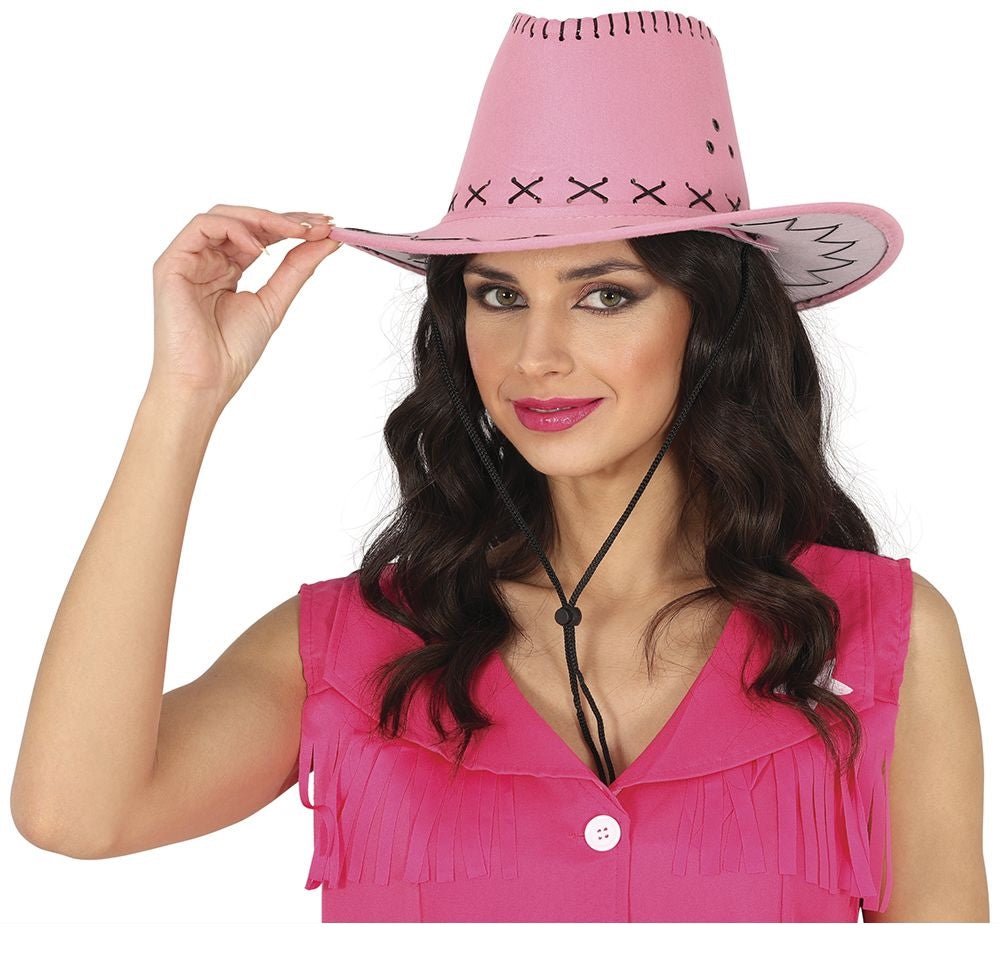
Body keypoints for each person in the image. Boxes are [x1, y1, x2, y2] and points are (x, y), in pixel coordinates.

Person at [10, 9, 987, 923]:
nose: (535, 355)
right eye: (499, 295)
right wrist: (184, 397)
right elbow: (74, 814)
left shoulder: (882, 639)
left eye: (605, 295)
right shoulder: (353, 643)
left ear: (713, 322)